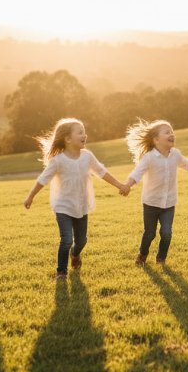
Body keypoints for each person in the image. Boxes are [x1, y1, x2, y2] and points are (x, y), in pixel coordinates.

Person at [23, 118, 130, 279]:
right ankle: (61, 271)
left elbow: (102, 172)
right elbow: (42, 180)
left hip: (81, 205)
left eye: (84, 132)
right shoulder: (58, 160)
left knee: (81, 240)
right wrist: (30, 196)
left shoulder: (87, 156)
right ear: (67, 139)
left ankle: (75, 253)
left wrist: (120, 185)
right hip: (63, 206)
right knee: (66, 239)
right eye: (80, 132)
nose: (84, 135)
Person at [123, 119, 188, 267]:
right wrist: (128, 185)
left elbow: (186, 164)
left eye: (172, 131)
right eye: (167, 132)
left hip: (169, 203)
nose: (171, 134)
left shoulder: (175, 154)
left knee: (166, 233)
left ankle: (161, 259)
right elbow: (137, 173)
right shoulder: (149, 158)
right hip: (151, 203)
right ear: (156, 140)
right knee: (150, 233)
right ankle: (142, 254)